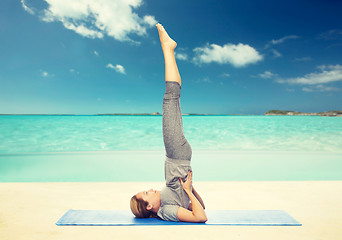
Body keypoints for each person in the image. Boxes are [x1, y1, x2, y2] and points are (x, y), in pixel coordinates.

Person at [130, 23, 207, 223]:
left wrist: (190, 190)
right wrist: (188, 192)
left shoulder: (166, 203)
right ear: (149, 206)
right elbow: (201, 216)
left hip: (178, 156)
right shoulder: (166, 210)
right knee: (170, 98)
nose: (151, 189)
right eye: (147, 193)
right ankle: (167, 48)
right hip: (176, 155)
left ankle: (168, 49)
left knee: (173, 99)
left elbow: (201, 207)